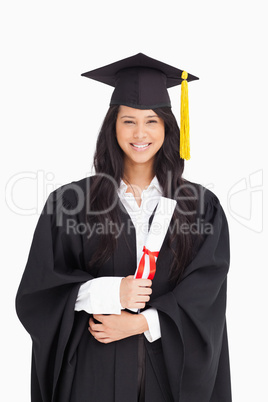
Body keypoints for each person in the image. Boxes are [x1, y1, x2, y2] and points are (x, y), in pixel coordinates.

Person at [16, 53, 232, 402]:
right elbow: (39, 292)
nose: (140, 133)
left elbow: (206, 292)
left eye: (152, 121)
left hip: (167, 377)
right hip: (93, 374)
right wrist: (110, 292)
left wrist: (144, 322)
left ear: (167, 128)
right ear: (112, 127)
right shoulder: (70, 202)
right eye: (128, 121)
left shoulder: (200, 206)